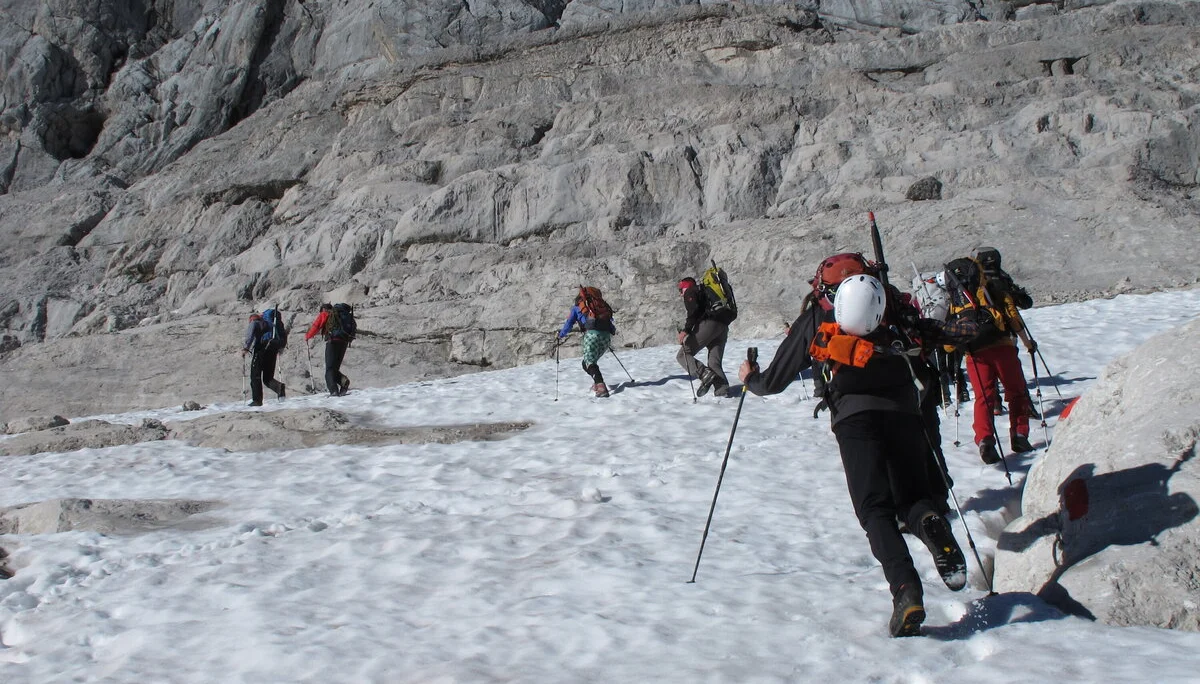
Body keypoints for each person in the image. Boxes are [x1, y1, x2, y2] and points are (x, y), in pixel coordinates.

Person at [739, 253, 978, 637]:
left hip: (854, 417)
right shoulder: (892, 305)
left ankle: (906, 591)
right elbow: (941, 333)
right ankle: (929, 522)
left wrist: (750, 378)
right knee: (913, 496)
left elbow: (775, 380)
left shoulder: (818, 316)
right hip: (905, 409)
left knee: (874, 509)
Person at [943, 247, 1036, 464]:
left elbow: (948, 342)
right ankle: (1019, 435)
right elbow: (1012, 316)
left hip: (975, 353)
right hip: (1002, 347)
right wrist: (1027, 343)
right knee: (1016, 393)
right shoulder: (994, 287)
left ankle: (985, 439)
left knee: (983, 398)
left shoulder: (958, 299)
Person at [676, 277, 732, 398]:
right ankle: (722, 391)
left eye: (681, 290)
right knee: (714, 362)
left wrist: (685, 331)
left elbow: (693, 312)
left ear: (686, 286)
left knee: (683, 355)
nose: (680, 293)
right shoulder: (704, 292)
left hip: (709, 324)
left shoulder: (691, 291)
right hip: (723, 326)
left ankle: (704, 374)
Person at [557, 287, 617, 398]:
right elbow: (611, 324)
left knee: (589, 362)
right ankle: (597, 382)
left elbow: (569, 324)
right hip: (606, 337)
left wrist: (560, 335)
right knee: (588, 362)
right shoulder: (600, 306)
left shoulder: (577, 308)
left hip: (592, 335)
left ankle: (600, 386)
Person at [305, 303, 351, 397]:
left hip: (332, 341)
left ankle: (334, 391)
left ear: (323, 309)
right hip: (344, 342)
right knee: (334, 368)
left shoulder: (325, 314)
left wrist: (307, 336)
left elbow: (316, 326)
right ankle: (343, 381)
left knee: (329, 369)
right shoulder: (341, 315)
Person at [241, 311, 285, 406]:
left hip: (261, 349)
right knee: (267, 377)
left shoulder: (255, 322)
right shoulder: (272, 324)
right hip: (273, 349)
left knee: (255, 375)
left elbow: (250, 335)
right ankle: (279, 387)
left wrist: (246, 348)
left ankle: (257, 400)